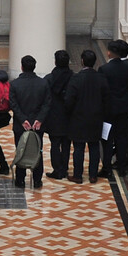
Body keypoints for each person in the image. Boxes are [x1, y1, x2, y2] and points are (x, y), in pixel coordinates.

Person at [66, 49, 110, 184]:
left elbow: (69, 100)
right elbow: (106, 99)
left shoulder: (76, 78)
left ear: (82, 61)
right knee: (94, 147)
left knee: (78, 148)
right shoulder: (101, 78)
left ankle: (78, 175)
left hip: (78, 118)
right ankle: (93, 175)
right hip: (96, 118)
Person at [98, 39, 128, 177]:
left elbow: (101, 91)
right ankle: (122, 167)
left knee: (107, 138)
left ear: (112, 53)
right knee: (122, 137)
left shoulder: (104, 69)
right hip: (125, 108)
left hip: (109, 110)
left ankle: (107, 167)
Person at [9, 55, 50, 189]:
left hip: (21, 125)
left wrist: (22, 120)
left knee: (20, 149)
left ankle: (20, 180)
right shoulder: (43, 83)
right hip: (38, 125)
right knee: (38, 150)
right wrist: (39, 119)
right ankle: (37, 180)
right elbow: (47, 103)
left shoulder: (15, 84)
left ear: (21, 67)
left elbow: (14, 105)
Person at [44, 50, 74, 180]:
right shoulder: (73, 77)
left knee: (55, 144)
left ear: (55, 62)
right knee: (66, 144)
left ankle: (57, 169)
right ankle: (64, 168)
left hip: (54, 117)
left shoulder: (49, 79)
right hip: (69, 116)